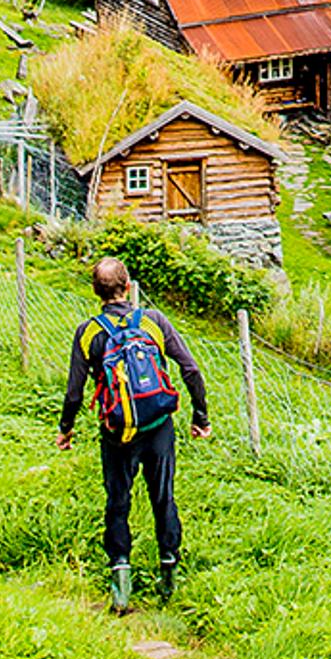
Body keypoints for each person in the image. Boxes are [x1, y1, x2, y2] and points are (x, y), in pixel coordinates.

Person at [54, 256, 209, 614]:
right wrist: (200, 415)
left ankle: (121, 585)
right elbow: (191, 369)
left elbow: (75, 393)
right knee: (163, 498)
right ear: (128, 287)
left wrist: (66, 428)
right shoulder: (153, 322)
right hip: (158, 426)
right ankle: (168, 576)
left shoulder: (88, 332)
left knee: (118, 501)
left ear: (97, 292)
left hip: (116, 432)